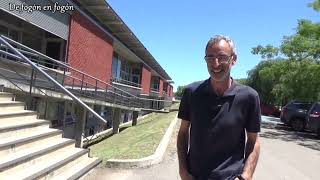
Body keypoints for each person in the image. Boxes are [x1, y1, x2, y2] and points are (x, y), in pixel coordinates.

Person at [177, 35, 261, 180]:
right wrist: (183, 172)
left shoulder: (249, 97)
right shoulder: (192, 93)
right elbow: (183, 133)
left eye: (221, 57)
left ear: (233, 59)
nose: (215, 64)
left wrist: (246, 176)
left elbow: (253, 141)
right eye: (210, 58)